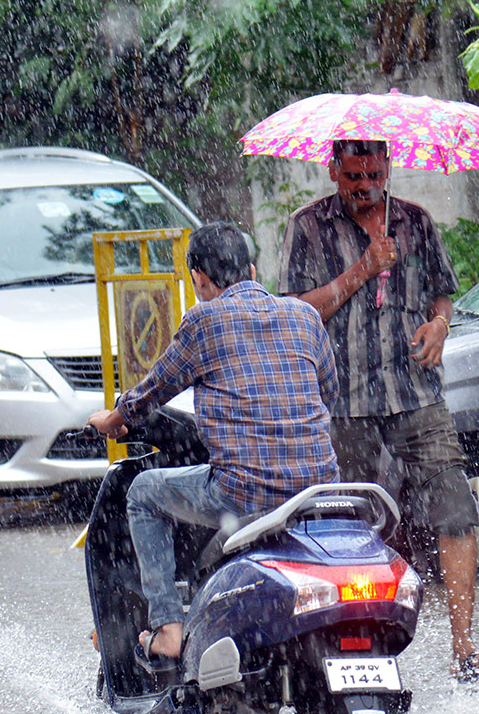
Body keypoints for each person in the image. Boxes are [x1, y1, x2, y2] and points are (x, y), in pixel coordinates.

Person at [278, 139, 479, 682]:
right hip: (341, 399)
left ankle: (464, 648)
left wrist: (441, 326)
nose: (365, 185)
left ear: (388, 167)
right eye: (353, 175)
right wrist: (362, 269)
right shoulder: (306, 227)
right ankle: (353, 650)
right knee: (343, 522)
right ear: (332, 170)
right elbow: (294, 311)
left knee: (455, 506)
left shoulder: (417, 222)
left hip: (414, 392)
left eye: (374, 173)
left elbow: (442, 295)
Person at [88, 221, 339, 662]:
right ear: (253, 269)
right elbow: (328, 394)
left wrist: (112, 420)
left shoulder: (204, 320)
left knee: (144, 492)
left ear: (199, 278)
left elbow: (151, 392)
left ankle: (167, 627)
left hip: (247, 494)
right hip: (319, 490)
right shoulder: (304, 315)